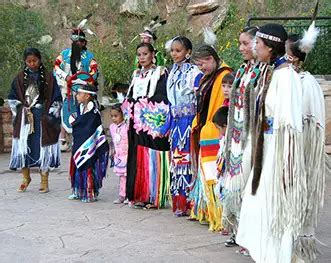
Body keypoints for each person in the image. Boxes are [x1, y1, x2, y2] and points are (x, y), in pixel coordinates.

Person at [236, 23, 307, 262]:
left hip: (278, 153)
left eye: (258, 43)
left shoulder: (287, 77)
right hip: (266, 148)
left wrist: (285, 165)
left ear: (269, 47)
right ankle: (265, 252)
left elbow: (290, 125)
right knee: (258, 202)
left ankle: (276, 255)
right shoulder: (273, 72)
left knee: (272, 205)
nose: (254, 47)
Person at [222, 26, 266, 251]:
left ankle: (253, 236)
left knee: (251, 186)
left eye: (245, 43)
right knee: (234, 184)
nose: (241, 48)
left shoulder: (264, 73)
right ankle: (238, 231)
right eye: (239, 43)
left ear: (259, 44)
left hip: (252, 137)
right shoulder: (242, 70)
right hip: (237, 136)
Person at [286, 23, 325, 262]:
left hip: (301, 151)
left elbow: (313, 124)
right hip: (285, 152)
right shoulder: (283, 79)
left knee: (300, 199)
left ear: (296, 58)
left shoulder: (306, 83)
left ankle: (299, 248)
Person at [189, 45, 232, 231]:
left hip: (216, 130)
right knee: (208, 173)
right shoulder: (209, 76)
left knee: (215, 174)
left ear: (212, 58)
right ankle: (207, 211)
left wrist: (211, 126)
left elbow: (218, 106)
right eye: (198, 65)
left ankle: (220, 215)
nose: (202, 68)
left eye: (203, 63)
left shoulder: (224, 75)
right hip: (207, 128)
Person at [8, 48, 62, 193]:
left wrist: (51, 113)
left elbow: (57, 99)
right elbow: (13, 98)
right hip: (25, 118)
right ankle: (26, 178)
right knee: (23, 147)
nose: (32, 64)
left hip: (42, 118)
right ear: (25, 62)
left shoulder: (49, 77)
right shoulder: (19, 78)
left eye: (34, 61)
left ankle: (44, 180)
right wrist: (21, 108)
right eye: (29, 61)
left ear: (39, 60)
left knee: (42, 148)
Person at [124, 42, 170, 209]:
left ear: (153, 55)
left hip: (151, 124)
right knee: (137, 156)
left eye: (145, 54)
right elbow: (130, 95)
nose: (142, 57)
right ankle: (138, 194)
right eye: (139, 54)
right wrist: (132, 104)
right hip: (136, 123)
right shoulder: (136, 74)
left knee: (151, 157)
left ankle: (153, 196)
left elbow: (162, 95)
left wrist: (146, 105)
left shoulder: (160, 73)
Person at [166, 36, 203, 216]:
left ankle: (191, 202)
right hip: (175, 122)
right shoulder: (172, 71)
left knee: (189, 161)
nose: (174, 53)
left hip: (189, 121)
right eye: (172, 50)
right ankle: (180, 201)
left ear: (188, 52)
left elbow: (200, 94)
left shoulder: (194, 71)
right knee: (178, 161)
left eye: (178, 50)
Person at [54, 27, 98, 151]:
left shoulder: (89, 57)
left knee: (82, 112)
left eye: (79, 41)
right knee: (65, 111)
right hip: (65, 88)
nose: (77, 44)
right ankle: (63, 139)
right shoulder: (64, 54)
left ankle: (80, 138)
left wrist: (79, 81)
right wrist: (65, 77)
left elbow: (93, 72)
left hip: (82, 89)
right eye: (74, 41)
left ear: (84, 43)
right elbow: (56, 67)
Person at [67, 72, 109, 203]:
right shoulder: (80, 108)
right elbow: (78, 124)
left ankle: (89, 192)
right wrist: (75, 123)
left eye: (79, 93)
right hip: (78, 142)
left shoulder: (93, 111)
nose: (77, 96)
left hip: (89, 144)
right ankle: (78, 190)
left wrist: (77, 123)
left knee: (88, 165)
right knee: (77, 165)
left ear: (87, 96)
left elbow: (91, 128)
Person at [109, 104, 128, 204]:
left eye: (116, 116)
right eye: (112, 116)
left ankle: (128, 195)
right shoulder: (112, 127)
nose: (113, 118)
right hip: (119, 156)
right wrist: (113, 151)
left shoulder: (127, 127)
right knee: (122, 176)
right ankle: (122, 195)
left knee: (127, 176)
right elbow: (113, 141)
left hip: (127, 155)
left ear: (123, 115)